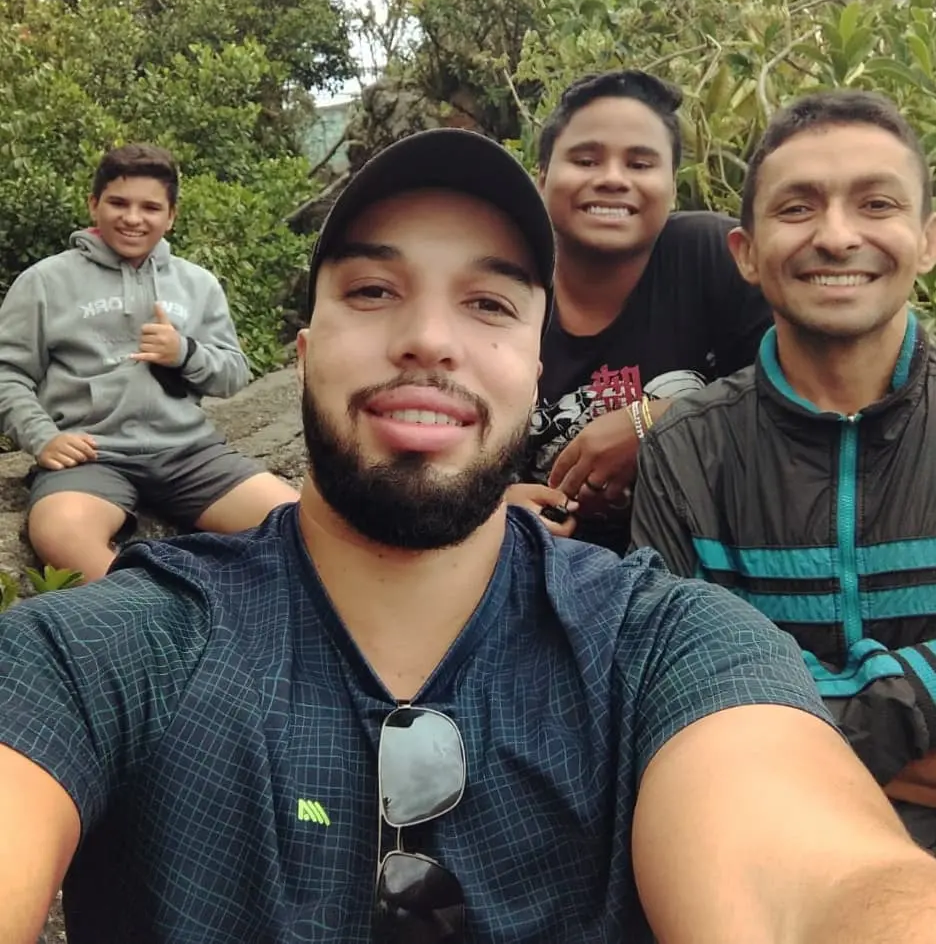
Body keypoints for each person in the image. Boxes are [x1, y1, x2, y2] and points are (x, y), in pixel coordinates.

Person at [2, 126, 936, 944]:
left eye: (489, 304)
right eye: (374, 290)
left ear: (535, 368)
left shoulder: (664, 649)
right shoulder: (101, 656)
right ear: (306, 353)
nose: (429, 338)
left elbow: (819, 882)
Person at [629, 89, 936, 850]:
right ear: (746, 252)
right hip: (767, 847)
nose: (837, 236)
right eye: (797, 208)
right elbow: (681, 685)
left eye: (876, 204)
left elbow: (748, 707)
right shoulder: (688, 452)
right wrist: (897, 743)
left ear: (927, 240)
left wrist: (797, 731)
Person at [0, 143, 298, 581]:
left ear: (171, 216)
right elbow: (8, 373)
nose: (133, 218)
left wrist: (184, 353)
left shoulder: (197, 284)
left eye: (151, 207)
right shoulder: (44, 282)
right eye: (118, 203)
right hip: (92, 456)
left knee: (299, 525)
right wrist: (43, 437)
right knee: (60, 533)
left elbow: (233, 374)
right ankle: (156, 612)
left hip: (188, 453)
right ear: (93, 204)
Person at [509, 69, 772, 552]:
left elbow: (805, 387)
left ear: (672, 185)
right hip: (543, 566)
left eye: (640, 163)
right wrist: (494, 508)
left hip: (712, 562)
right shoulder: (500, 286)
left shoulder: (712, 257)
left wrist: (652, 422)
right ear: (542, 178)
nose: (612, 179)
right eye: (586, 160)